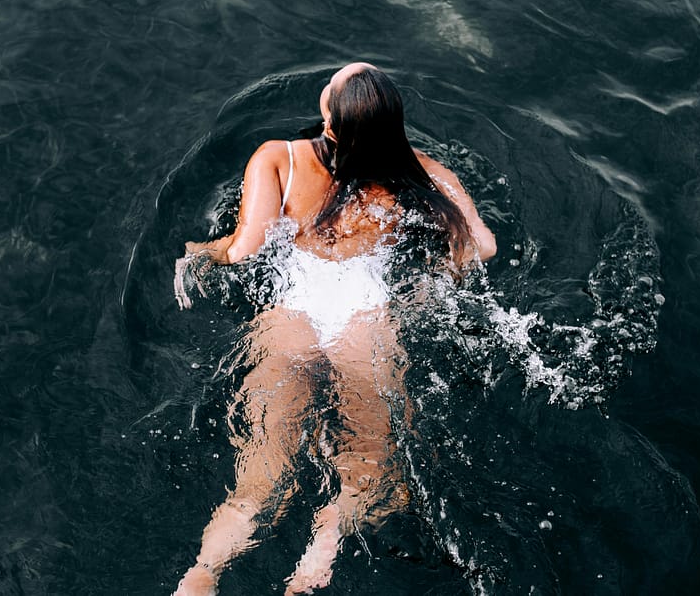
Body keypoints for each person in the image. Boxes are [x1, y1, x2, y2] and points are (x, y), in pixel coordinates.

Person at [173, 63, 496, 595]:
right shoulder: (422, 172)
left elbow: (243, 249)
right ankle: (317, 557)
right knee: (370, 471)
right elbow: (481, 247)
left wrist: (197, 253)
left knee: (260, 478)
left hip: (293, 316)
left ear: (329, 118)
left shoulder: (279, 158)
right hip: (367, 322)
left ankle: (203, 573)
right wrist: (432, 284)